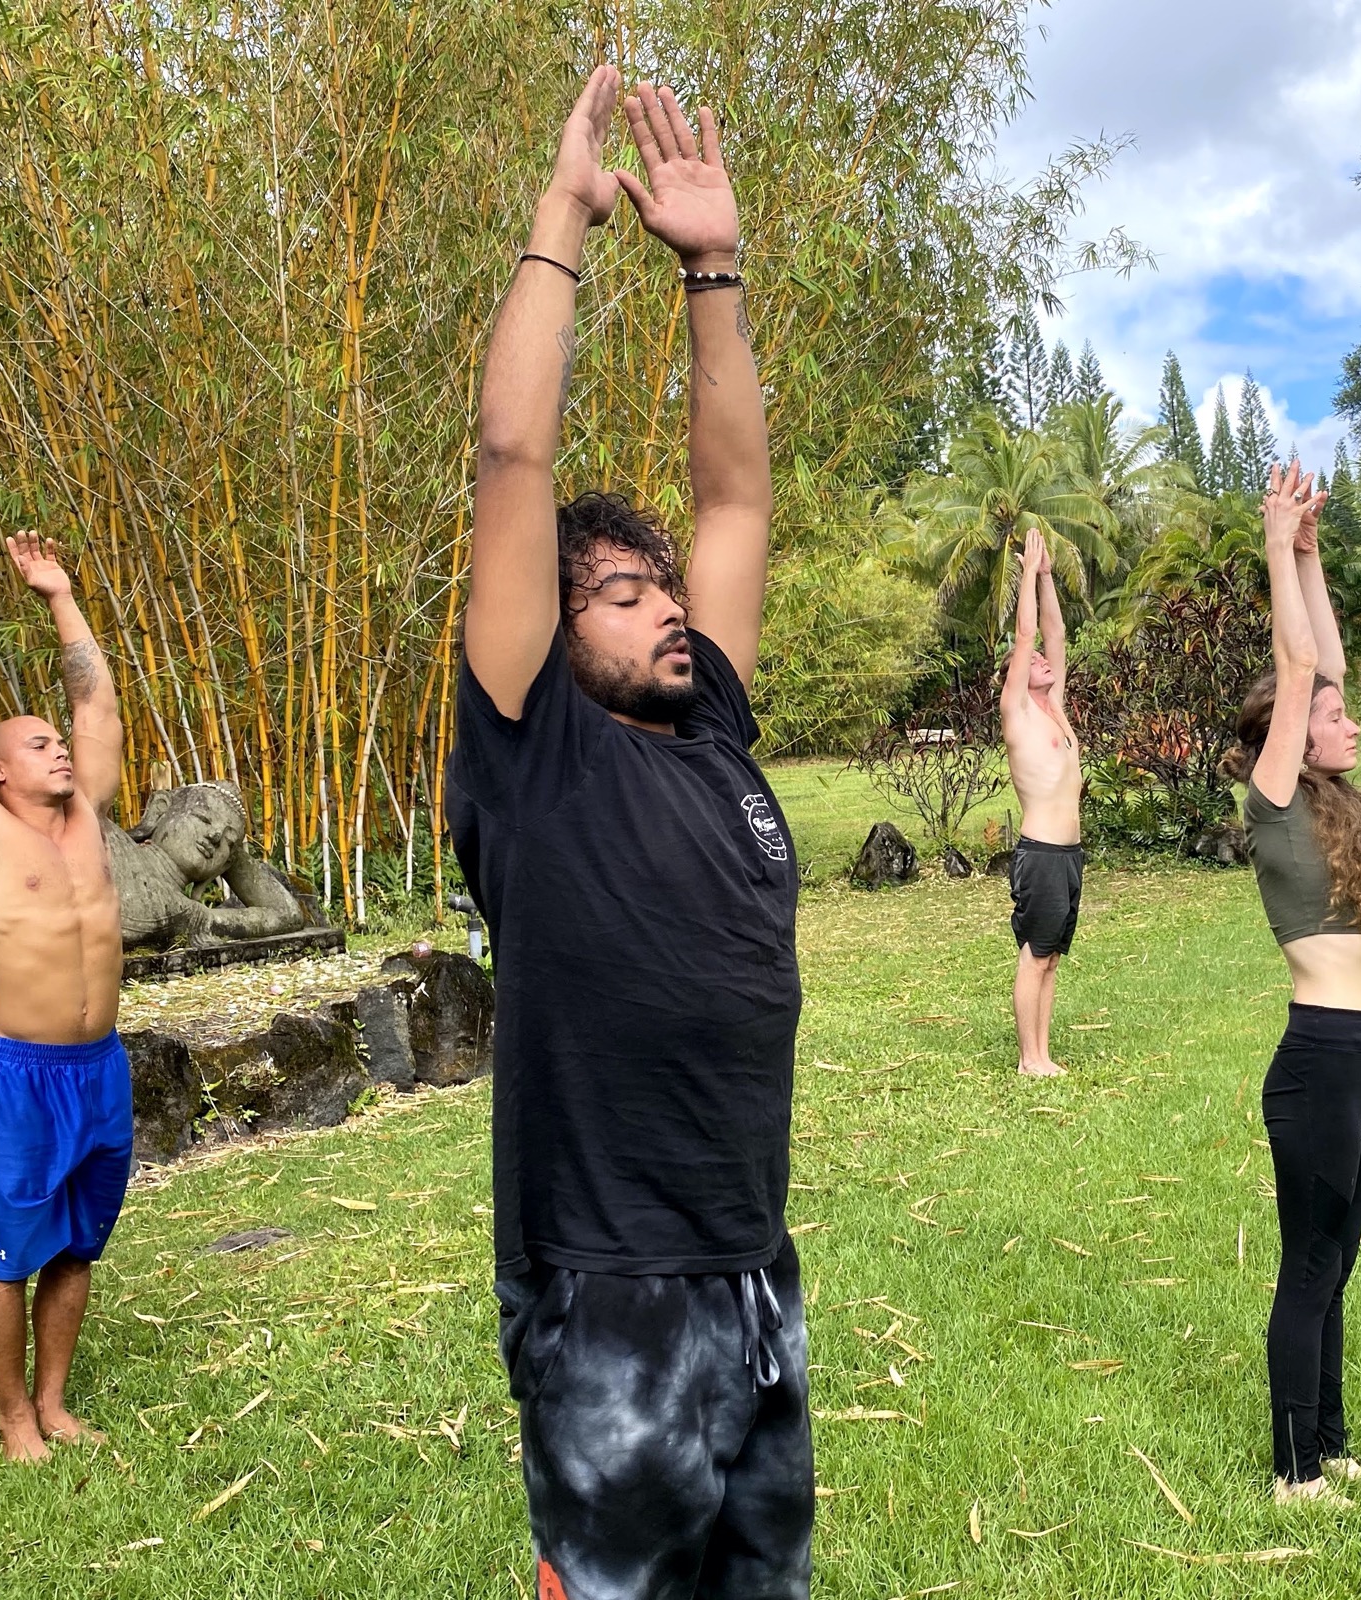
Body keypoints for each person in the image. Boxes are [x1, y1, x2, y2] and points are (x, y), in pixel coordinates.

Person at [447, 68, 810, 1599]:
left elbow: (733, 506)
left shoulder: (710, 726)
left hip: (750, 1270)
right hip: (609, 1289)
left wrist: (713, 275)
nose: (665, 604)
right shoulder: (537, 753)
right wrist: (564, 223)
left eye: (661, 589)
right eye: (621, 592)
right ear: (556, 625)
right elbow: (511, 462)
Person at [1221, 463, 1361, 1508]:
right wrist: (1270, 537)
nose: (1350, 720)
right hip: (1318, 1067)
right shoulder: (1277, 799)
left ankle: (1332, 1444)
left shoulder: (1336, 801)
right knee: (1307, 1268)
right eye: (1327, 717)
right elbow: (1301, 668)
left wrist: (1310, 553)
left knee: (1338, 1261)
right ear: (1285, 738)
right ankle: (1294, 1473)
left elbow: (1323, 658)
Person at [0, 522, 129, 1463]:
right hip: (18, 1074)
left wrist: (59, 596)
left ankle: (53, 1401)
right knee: (8, 1252)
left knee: (79, 1245)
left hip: (100, 1068)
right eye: (37, 742)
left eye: (57, 741)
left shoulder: (86, 814)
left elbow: (99, 707)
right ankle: (11, 1422)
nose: (59, 749)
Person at [1000, 527, 1083, 1078]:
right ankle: (1031, 1059)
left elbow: (1053, 632)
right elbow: (1028, 633)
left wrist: (1050, 576)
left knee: (1052, 957)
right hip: (1043, 853)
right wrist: (1026, 571)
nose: (1045, 662)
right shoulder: (1019, 712)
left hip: (1070, 854)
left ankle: (1044, 1053)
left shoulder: (1053, 705)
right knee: (1035, 954)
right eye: (1032, 662)